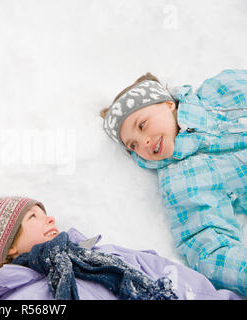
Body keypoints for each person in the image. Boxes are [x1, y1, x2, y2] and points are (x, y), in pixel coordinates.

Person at [100, 69, 247, 297]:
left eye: (142, 125)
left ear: (168, 104)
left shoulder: (222, 88)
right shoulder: (182, 179)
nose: (144, 142)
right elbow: (208, 248)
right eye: (133, 145)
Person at [0, 196, 239, 300]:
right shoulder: (20, 296)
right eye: (33, 217)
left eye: (45, 212)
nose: (50, 219)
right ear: (9, 249)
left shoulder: (104, 255)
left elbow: (180, 282)